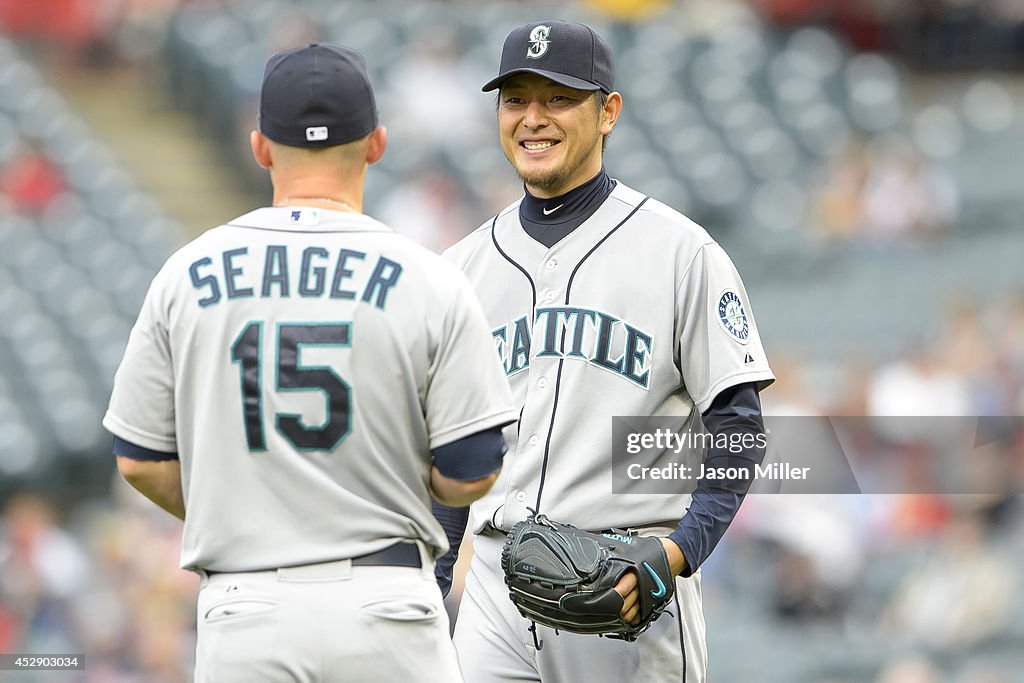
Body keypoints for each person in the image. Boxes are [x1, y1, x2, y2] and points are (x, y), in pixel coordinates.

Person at [102, 42, 518, 683]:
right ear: (377, 143)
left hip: (247, 611)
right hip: (386, 606)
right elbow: (470, 471)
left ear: (261, 147)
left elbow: (139, 459)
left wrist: (243, 506)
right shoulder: (429, 278)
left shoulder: (186, 274)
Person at [435, 21, 776, 682]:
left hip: (623, 586)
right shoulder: (462, 267)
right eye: (516, 99)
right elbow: (453, 451)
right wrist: (432, 582)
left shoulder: (681, 252)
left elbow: (738, 431)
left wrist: (677, 554)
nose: (533, 118)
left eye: (557, 98)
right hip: (494, 596)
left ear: (608, 111)